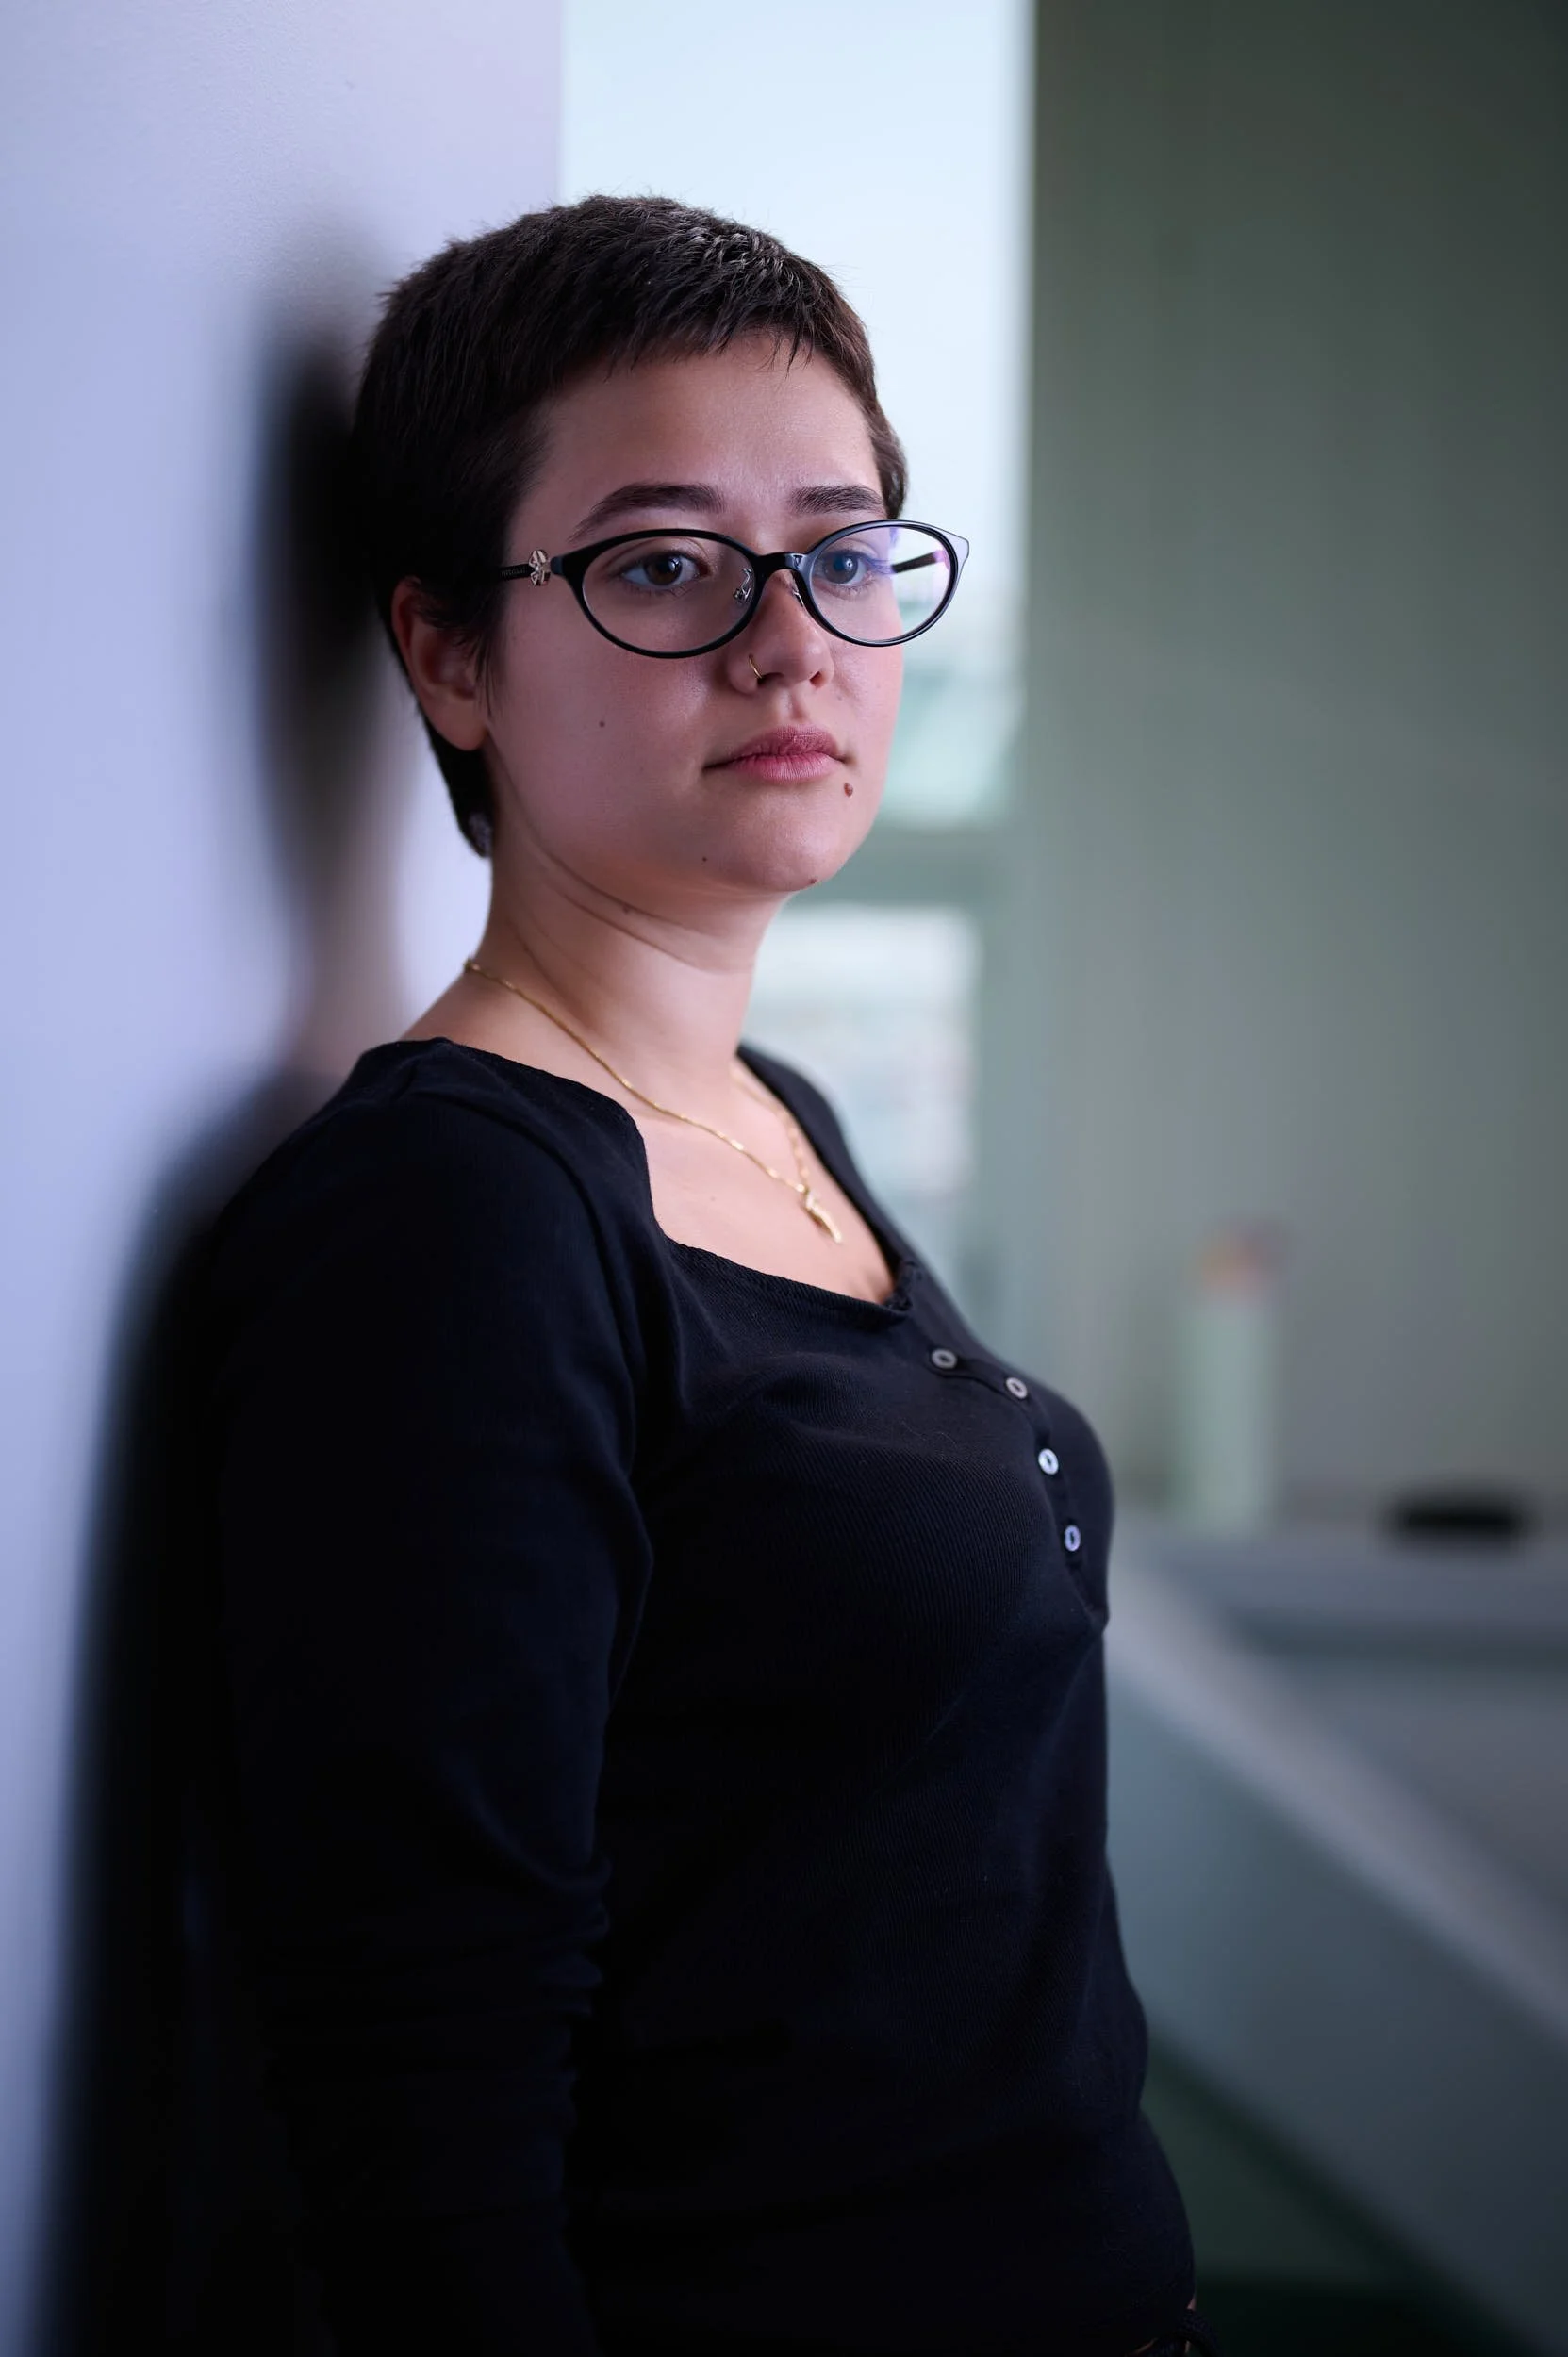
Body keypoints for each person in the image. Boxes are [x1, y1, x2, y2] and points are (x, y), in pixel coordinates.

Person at [198, 195, 1216, 2357]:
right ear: (448, 651)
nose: (794, 642)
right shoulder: (453, 1219)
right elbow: (423, 2071)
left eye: (846, 550)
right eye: (666, 562)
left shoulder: (776, 1117)